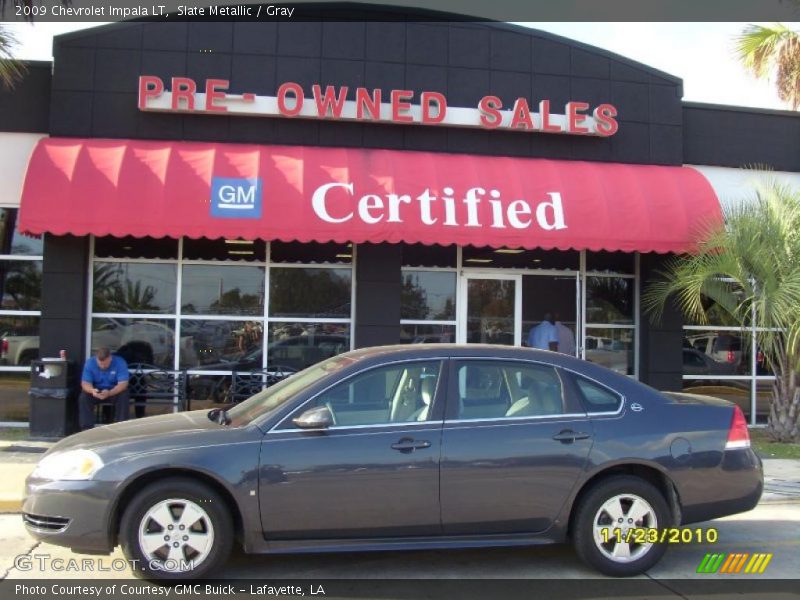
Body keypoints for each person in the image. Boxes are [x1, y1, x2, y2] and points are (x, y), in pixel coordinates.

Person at [78, 347, 130, 430]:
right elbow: (85, 383)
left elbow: (123, 384)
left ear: (110, 358)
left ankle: (122, 427)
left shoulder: (120, 362)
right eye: (100, 364)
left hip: (114, 391)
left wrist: (109, 393)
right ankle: (86, 428)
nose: (102, 366)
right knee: (84, 397)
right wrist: (92, 390)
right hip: (96, 391)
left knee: (124, 395)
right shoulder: (90, 363)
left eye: (105, 364)